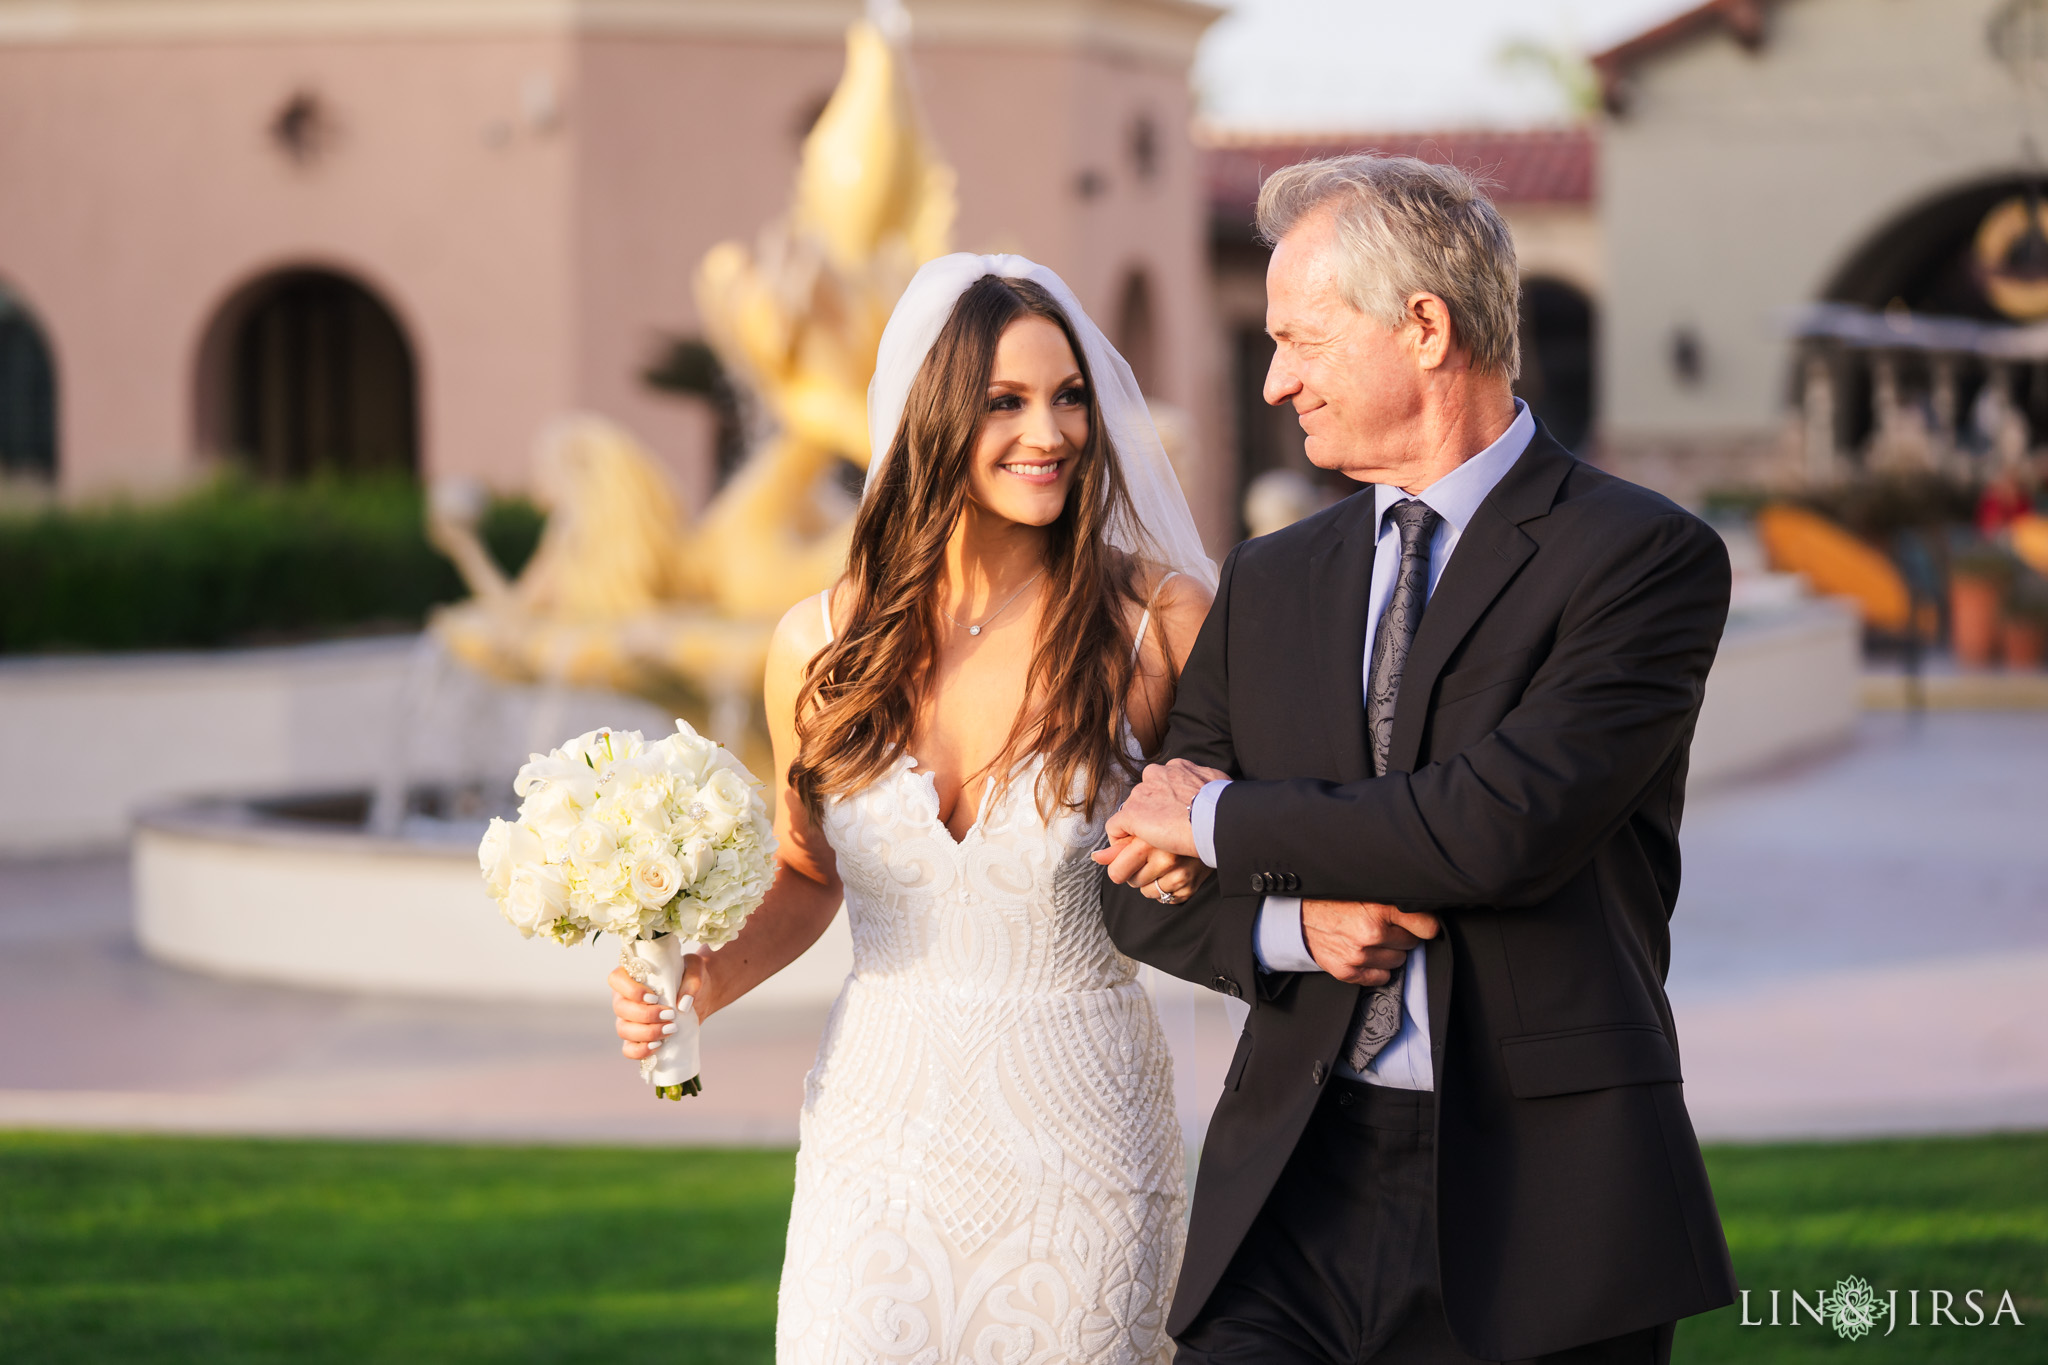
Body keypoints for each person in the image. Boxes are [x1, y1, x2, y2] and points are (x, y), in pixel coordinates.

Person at [1096, 155, 1739, 1364]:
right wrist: (1296, 926)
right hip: (1288, 1191)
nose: (1276, 378)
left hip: (1544, 1206)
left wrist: (1224, 822)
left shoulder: (1641, 561)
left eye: (1300, 339)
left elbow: (1491, 828)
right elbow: (1130, 878)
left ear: (1424, 327)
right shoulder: (1269, 579)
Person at [610, 256, 1216, 1363]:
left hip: (1080, 1139)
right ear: (934, 419)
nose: (1052, 432)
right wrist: (704, 977)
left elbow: (1237, 833)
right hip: (875, 1144)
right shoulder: (818, 644)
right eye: (1005, 401)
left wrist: (1190, 856)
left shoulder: (1157, 624)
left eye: (1068, 396)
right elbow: (805, 872)